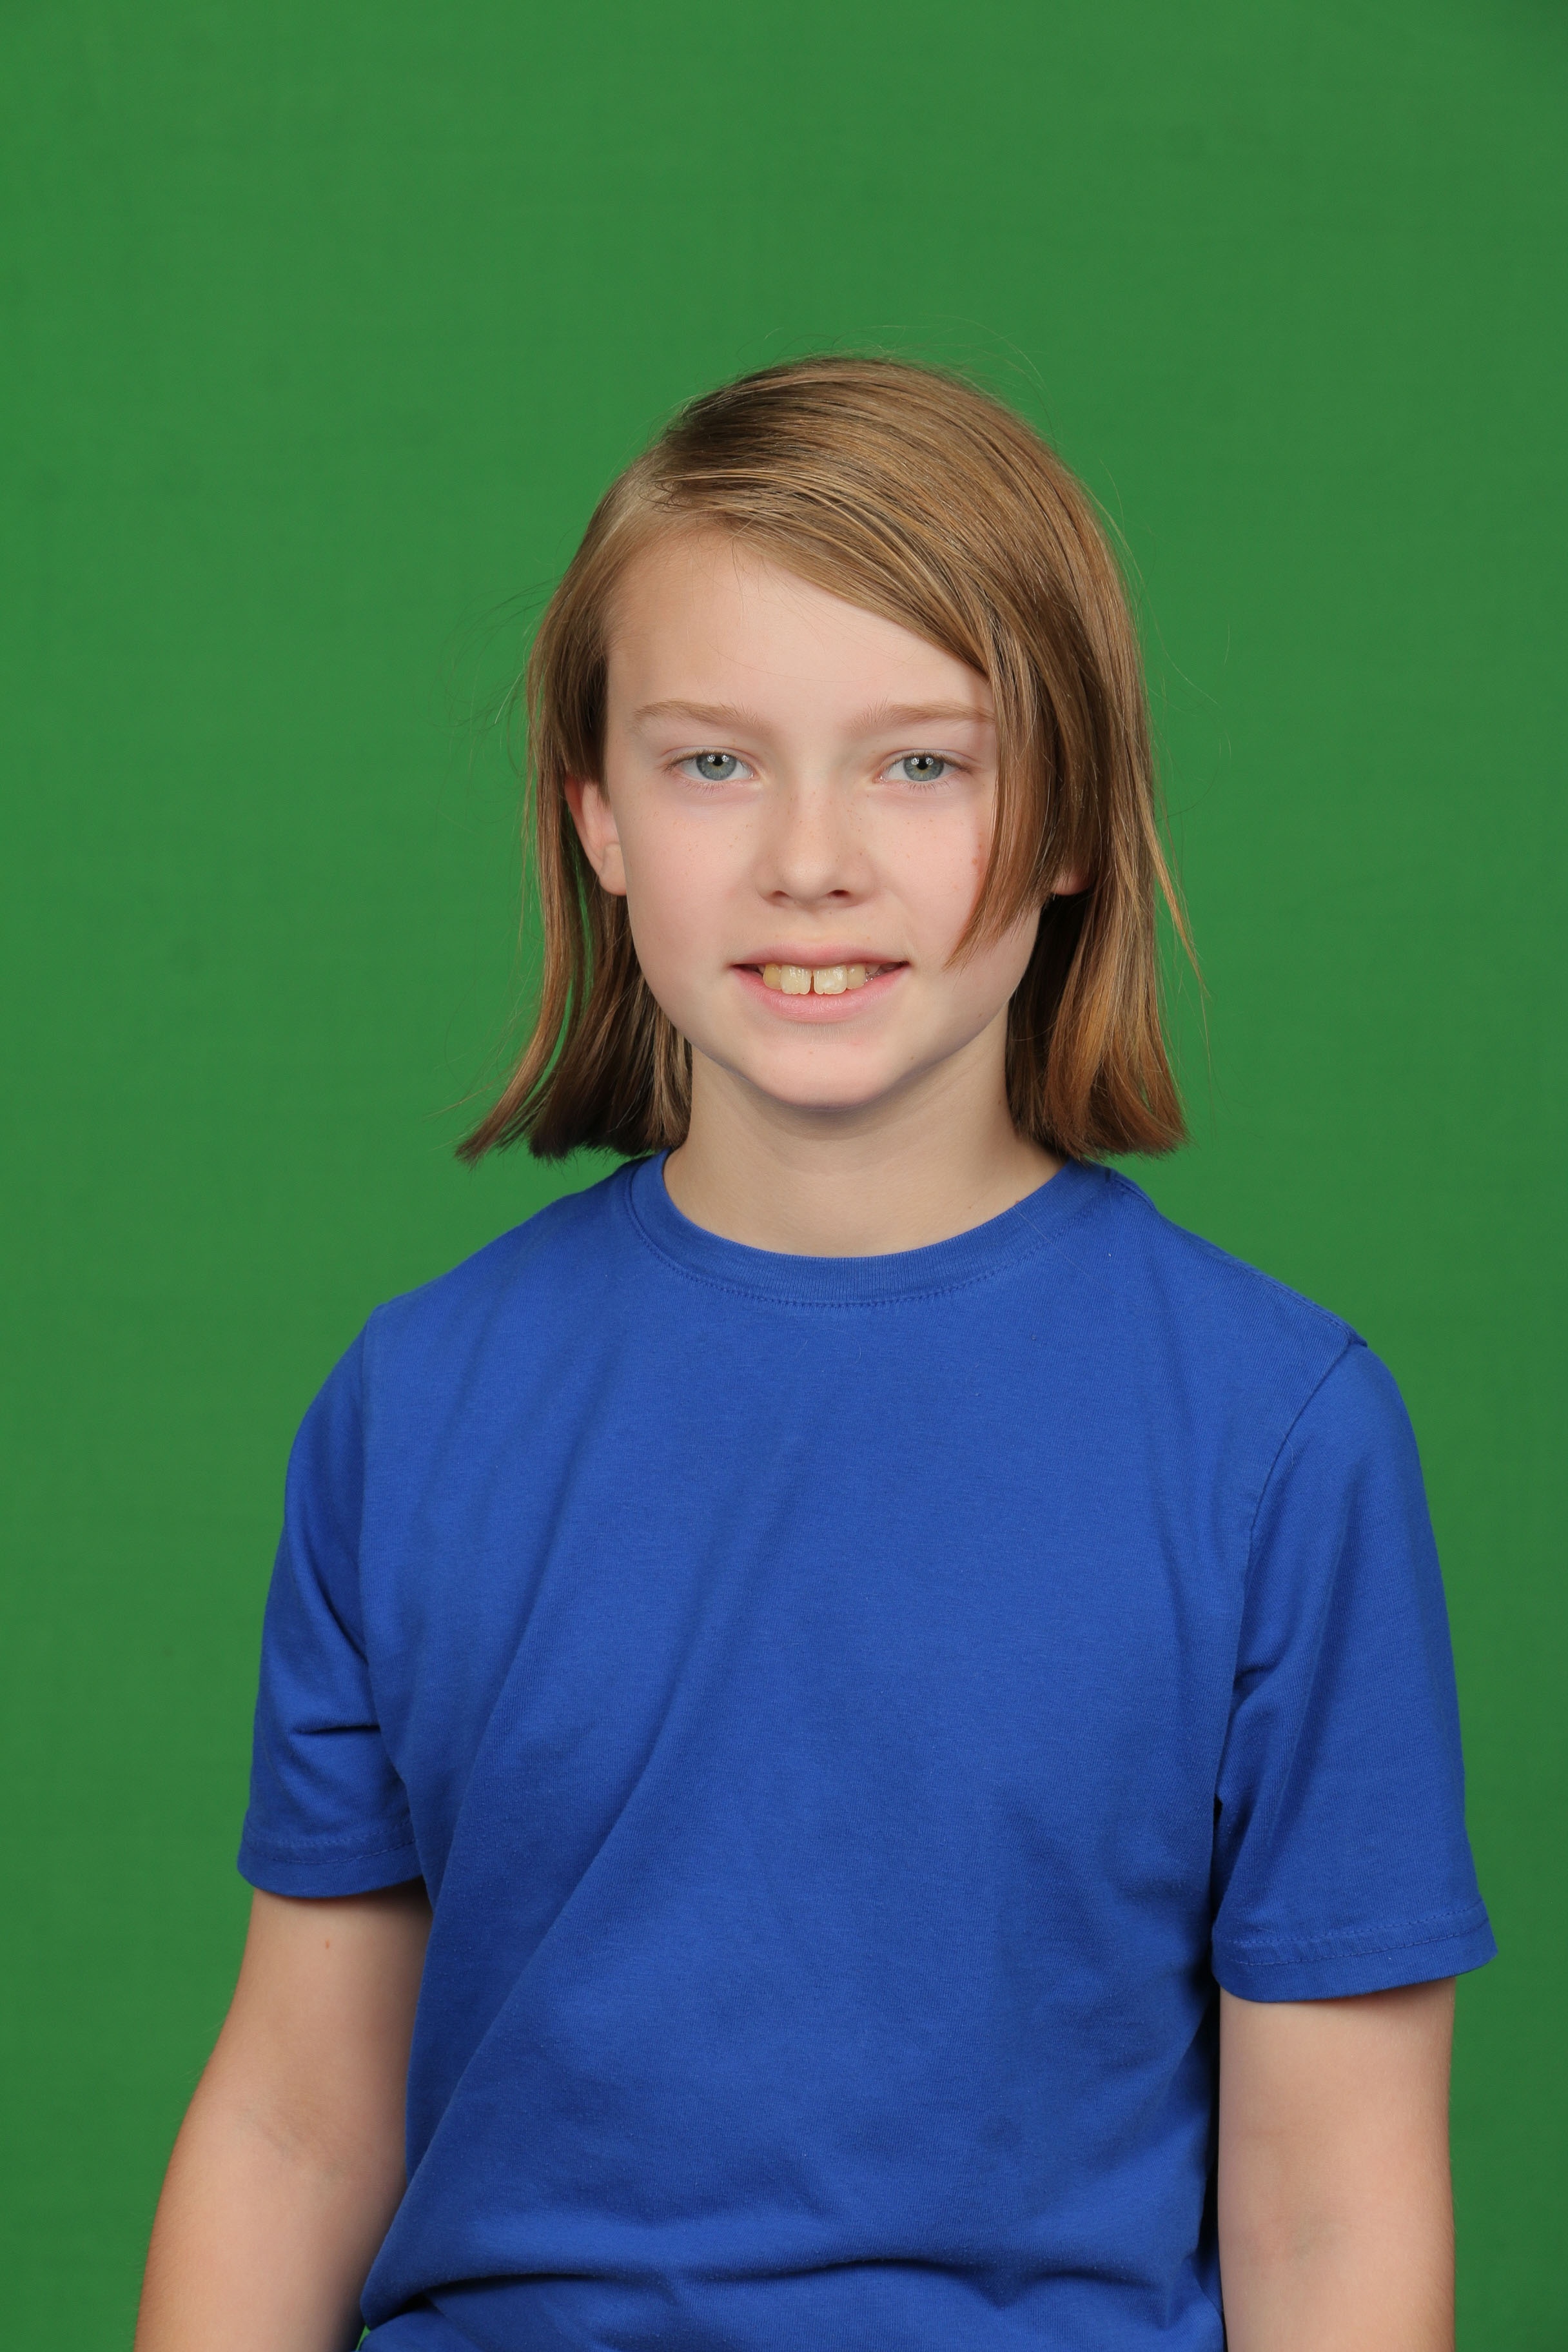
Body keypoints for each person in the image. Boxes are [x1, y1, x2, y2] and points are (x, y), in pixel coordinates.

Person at [134, 357, 1493, 2352]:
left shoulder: (1280, 1441)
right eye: (713, 764)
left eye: (921, 763)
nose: (811, 858)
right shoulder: (414, 1410)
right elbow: (293, 2124)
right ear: (596, 817)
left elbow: (1332, 2214)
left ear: (1069, 823)